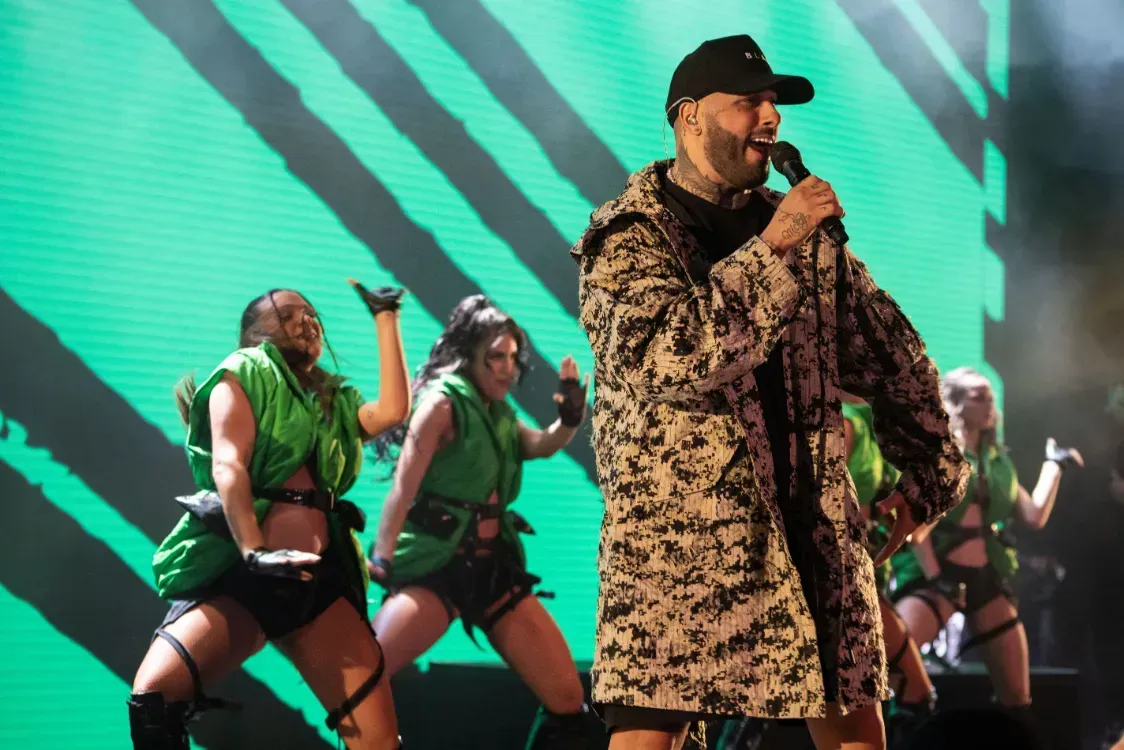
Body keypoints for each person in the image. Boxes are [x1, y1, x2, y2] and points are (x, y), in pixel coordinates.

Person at [571, 34, 969, 750]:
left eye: (774, 104)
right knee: (650, 734)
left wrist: (927, 476)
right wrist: (773, 246)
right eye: (748, 102)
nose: (771, 117)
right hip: (679, 557)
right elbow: (665, 357)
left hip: (811, 538)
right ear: (689, 117)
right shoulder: (628, 236)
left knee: (857, 730)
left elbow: (894, 356)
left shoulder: (811, 239)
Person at [128, 282, 410, 749]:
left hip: (317, 582)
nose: (307, 321)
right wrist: (254, 552)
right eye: (288, 315)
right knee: (155, 698)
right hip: (245, 577)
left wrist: (386, 316)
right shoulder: (241, 372)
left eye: (312, 314)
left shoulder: (331, 400)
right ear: (255, 333)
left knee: (378, 742)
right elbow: (228, 465)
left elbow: (393, 411)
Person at [367, 295, 594, 749]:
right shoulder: (442, 404)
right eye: (496, 357)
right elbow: (404, 486)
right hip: (437, 566)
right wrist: (383, 557)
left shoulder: (499, 412)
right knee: (363, 678)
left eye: (513, 357)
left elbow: (541, 444)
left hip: (492, 570)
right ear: (470, 354)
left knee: (568, 700)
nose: (508, 369)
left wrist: (569, 417)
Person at [891, 367, 1083, 715]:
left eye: (991, 397)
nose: (989, 404)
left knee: (1017, 695)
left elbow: (1034, 515)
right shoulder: (939, 456)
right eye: (979, 397)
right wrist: (938, 580)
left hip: (985, 577)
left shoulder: (997, 461)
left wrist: (1054, 466)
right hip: (936, 576)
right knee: (890, 663)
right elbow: (917, 533)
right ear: (955, 403)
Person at [841, 395, 936, 744]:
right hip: (844, 579)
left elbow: (912, 526)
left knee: (871, 699)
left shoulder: (882, 430)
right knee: (912, 691)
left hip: (869, 578)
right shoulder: (846, 422)